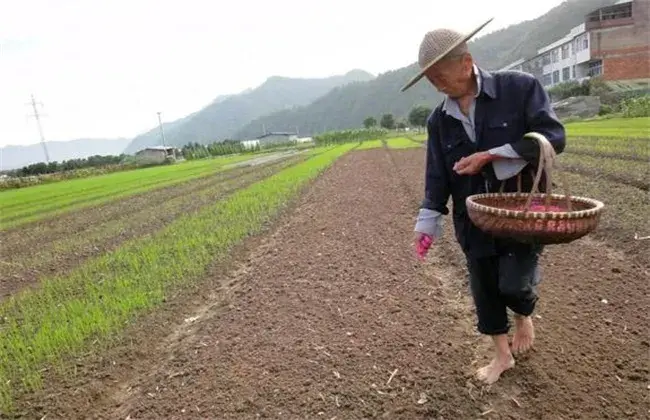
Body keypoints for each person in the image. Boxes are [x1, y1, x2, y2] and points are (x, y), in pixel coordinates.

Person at [401, 18, 566, 384]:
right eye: (428, 79)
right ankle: (501, 355)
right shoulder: (438, 120)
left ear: (466, 62)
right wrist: (426, 223)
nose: (435, 84)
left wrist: (492, 155)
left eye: (439, 74)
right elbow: (437, 175)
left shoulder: (519, 88)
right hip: (472, 219)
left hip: (521, 213)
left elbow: (553, 137)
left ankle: (524, 315)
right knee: (484, 286)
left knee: (515, 284)